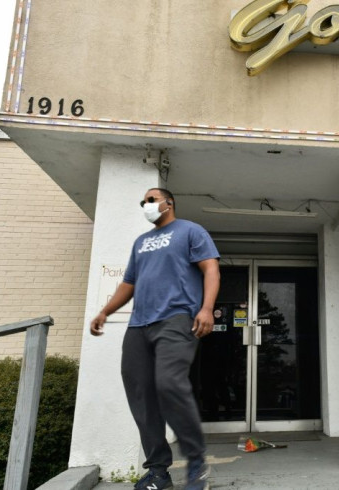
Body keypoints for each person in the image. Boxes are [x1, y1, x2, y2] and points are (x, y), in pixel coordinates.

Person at [90, 187, 220, 490]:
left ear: (168, 202)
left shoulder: (190, 231)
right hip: (139, 326)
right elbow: (128, 283)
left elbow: (210, 268)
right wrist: (105, 311)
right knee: (141, 395)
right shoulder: (141, 242)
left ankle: (196, 461)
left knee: (169, 383)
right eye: (143, 202)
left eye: (151, 199)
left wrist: (207, 308)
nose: (146, 205)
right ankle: (159, 471)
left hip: (176, 319)